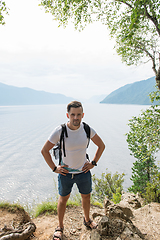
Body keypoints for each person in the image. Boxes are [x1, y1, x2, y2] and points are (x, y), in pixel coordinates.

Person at [41, 101, 105, 240]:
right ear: (67, 115)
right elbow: (45, 150)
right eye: (72, 115)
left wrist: (93, 163)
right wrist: (54, 168)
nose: (76, 118)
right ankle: (60, 226)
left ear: (82, 115)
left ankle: (87, 220)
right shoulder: (60, 131)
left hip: (83, 172)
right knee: (63, 199)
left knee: (86, 197)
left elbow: (101, 145)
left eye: (78, 115)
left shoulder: (87, 129)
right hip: (66, 174)